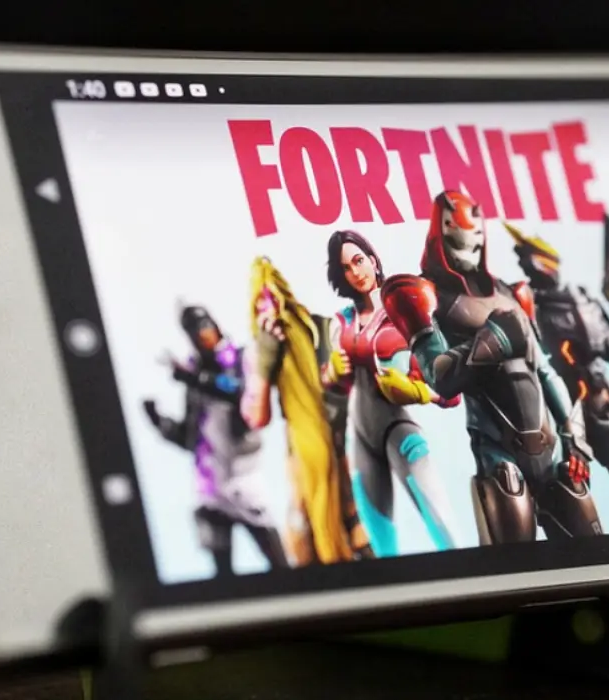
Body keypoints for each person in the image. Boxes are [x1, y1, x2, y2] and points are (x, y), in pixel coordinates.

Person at [381, 189, 601, 544]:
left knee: (596, 556)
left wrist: (575, 439)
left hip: (551, 449)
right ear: (441, 232)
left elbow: (544, 372)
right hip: (498, 452)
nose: (469, 246)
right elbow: (440, 376)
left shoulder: (512, 294)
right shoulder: (426, 295)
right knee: (515, 564)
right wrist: (494, 338)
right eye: (458, 238)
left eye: (474, 237)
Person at [505, 222, 609, 530]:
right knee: (571, 503)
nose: (530, 266)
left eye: (531, 258)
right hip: (565, 413)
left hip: (604, 403)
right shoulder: (528, 306)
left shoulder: (584, 300)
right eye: (524, 260)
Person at [322, 230, 460, 556]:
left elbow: (450, 391)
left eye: (359, 261)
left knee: (445, 530)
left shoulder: (404, 307)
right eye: (346, 268)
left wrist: (418, 391)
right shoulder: (341, 323)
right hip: (361, 438)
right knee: (382, 547)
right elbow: (336, 385)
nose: (356, 272)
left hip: (400, 432)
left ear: (372, 260)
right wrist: (332, 373)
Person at [141, 305, 289, 576]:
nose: (203, 334)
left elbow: (242, 395)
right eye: (195, 331)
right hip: (210, 489)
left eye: (205, 326)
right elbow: (191, 438)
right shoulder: (194, 375)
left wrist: (195, 378)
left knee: (279, 565)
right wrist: (160, 422)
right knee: (222, 576)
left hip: (244, 480)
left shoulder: (240, 359)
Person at [241, 257, 370, 565]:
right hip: (301, 454)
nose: (269, 310)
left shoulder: (321, 330)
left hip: (343, 445)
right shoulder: (261, 349)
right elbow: (256, 416)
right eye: (260, 302)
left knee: (354, 524)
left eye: (273, 297)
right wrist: (266, 362)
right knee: (304, 531)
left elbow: (356, 379)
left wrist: (337, 373)